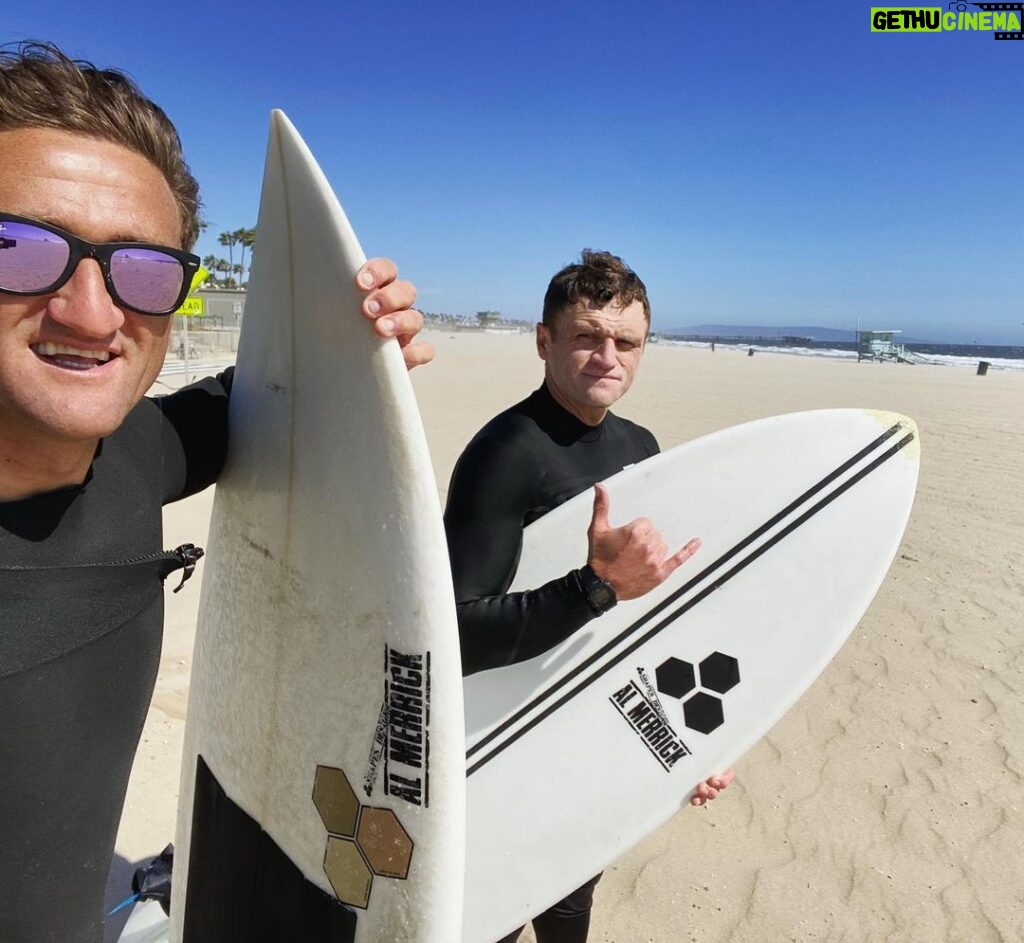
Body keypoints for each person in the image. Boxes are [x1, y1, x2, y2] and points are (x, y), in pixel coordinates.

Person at [0, 42, 431, 941]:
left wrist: (355, 351)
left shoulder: (134, 452)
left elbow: (255, 400)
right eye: (20, 248)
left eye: (145, 270)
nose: (91, 312)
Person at [444, 249, 735, 943]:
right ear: (544, 340)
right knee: (491, 915)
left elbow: (651, 610)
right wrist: (594, 587)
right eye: (587, 336)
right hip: (504, 738)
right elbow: (453, 633)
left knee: (572, 900)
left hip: (590, 732)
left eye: (626, 341)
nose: (609, 355)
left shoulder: (642, 444)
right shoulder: (506, 453)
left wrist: (698, 738)